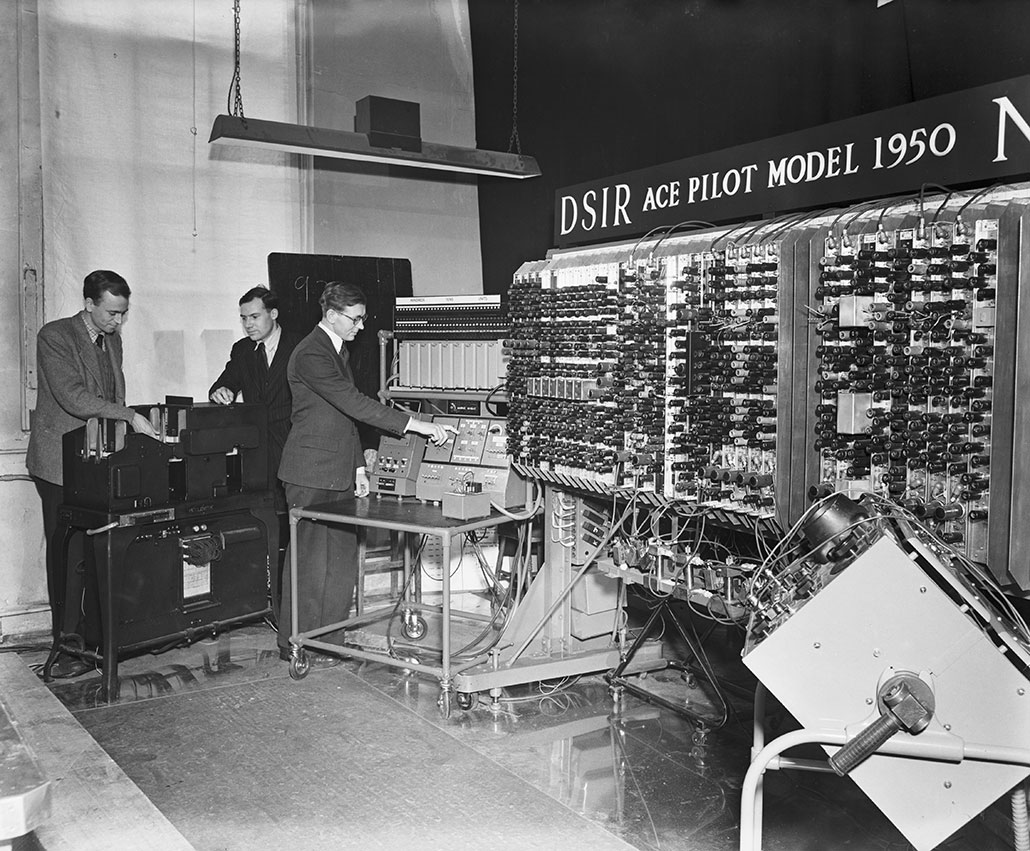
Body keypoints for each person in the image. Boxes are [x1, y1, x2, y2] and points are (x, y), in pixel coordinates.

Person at [277, 281, 452, 665]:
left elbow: (345, 420)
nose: (360, 327)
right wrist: (416, 424)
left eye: (362, 318)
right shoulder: (310, 353)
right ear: (332, 316)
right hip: (309, 472)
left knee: (339, 563)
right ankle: (300, 642)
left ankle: (331, 639)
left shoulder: (337, 350)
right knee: (309, 564)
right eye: (354, 320)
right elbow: (353, 403)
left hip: (338, 471)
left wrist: (358, 466)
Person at [26, 269, 157, 674]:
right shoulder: (55, 336)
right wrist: (130, 416)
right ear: (89, 304)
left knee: (98, 553)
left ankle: (95, 641)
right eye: (112, 313)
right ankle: (66, 648)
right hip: (59, 466)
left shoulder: (111, 340)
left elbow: (111, 392)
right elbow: (73, 398)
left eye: (123, 314)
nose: (118, 322)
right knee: (69, 558)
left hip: (95, 463)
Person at [209, 286, 303, 617]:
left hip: (293, 447)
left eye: (254, 316)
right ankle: (269, 603)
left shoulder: (300, 347)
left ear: (273, 314)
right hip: (257, 453)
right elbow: (226, 382)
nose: (248, 325)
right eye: (243, 318)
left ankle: (290, 606)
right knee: (266, 526)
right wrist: (221, 391)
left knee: (293, 527)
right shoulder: (242, 350)